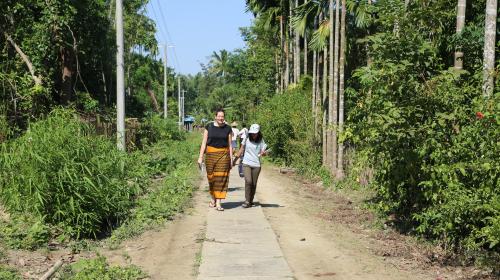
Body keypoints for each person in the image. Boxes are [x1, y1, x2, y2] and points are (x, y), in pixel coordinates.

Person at [198, 109, 233, 211]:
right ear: (215, 116)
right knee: (211, 178)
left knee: (221, 178)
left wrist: (231, 159)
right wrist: (200, 157)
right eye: (219, 116)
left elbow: (230, 145)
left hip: (223, 156)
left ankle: (218, 202)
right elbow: (204, 143)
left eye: (222, 116)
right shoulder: (209, 127)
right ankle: (213, 197)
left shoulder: (228, 129)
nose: (221, 118)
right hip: (210, 155)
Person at [234, 124, 268, 208]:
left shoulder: (261, 141)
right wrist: (234, 161)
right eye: (252, 133)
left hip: (256, 164)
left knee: (253, 184)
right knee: (248, 181)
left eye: (255, 133)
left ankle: (251, 200)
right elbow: (241, 150)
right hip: (246, 163)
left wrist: (264, 153)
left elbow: (263, 153)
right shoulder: (246, 138)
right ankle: (247, 200)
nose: (253, 134)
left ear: (258, 133)